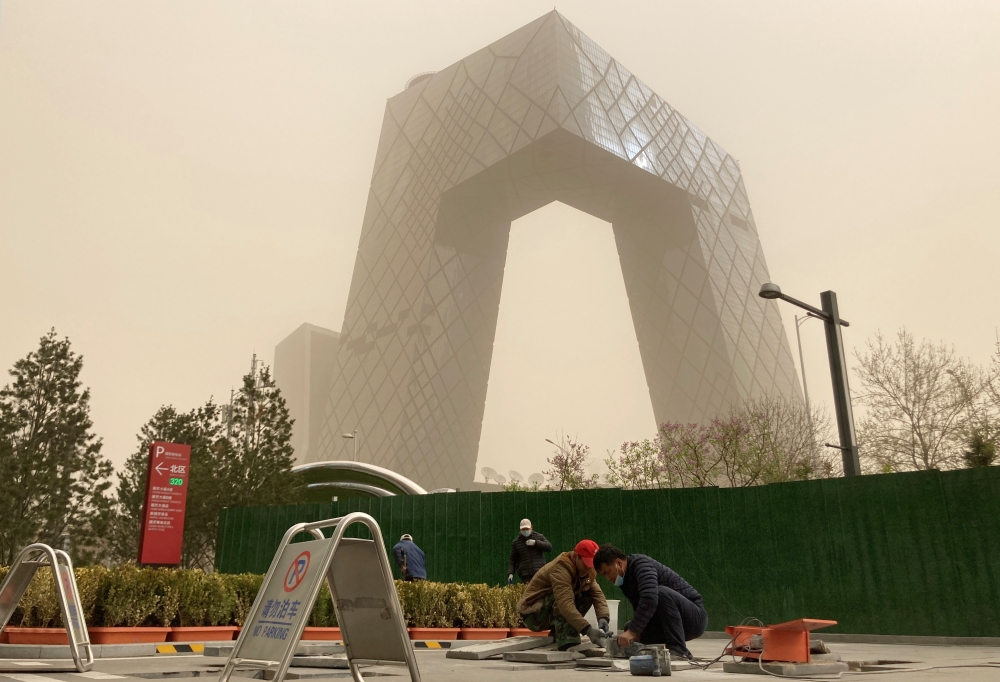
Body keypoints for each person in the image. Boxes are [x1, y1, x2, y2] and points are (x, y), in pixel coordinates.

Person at [593, 544, 707, 661]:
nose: (607, 578)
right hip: (671, 622)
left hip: (694, 619)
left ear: (618, 563)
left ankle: (679, 650)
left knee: (660, 593)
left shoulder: (641, 565)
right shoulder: (625, 580)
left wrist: (632, 632)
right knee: (630, 627)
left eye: (607, 572)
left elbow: (650, 599)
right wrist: (633, 632)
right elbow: (642, 610)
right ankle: (663, 651)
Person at [517, 539, 613, 651]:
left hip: (548, 610)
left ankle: (559, 631)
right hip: (533, 614)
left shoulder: (589, 571)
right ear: (577, 556)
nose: (588, 568)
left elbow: (597, 595)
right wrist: (588, 630)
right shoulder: (561, 568)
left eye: (591, 565)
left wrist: (603, 618)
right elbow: (564, 604)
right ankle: (567, 641)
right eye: (586, 564)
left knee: (587, 595)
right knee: (564, 597)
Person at [508, 518, 552, 585]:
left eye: (527, 529)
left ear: (531, 527)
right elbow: (513, 560)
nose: (525, 531)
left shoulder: (539, 537)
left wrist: (536, 543)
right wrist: (510, 573)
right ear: (520, 529)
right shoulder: (516, 542)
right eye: (523, 529)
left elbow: (549, 547)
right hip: (525, 575)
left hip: (540, 572)